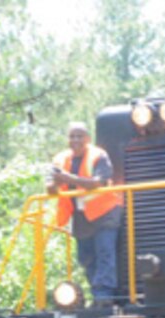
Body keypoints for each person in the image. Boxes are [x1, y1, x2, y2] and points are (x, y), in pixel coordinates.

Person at [47, 122, 123, 303]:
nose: (75, 140)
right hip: (80, 216)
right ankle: (95, 292)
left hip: (105, 212)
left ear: (88, 139)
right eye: (72, 136)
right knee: (86, 256)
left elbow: (98, 182)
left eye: (79, 136)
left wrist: (66, 178)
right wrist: (54, 183)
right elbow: (50, 189)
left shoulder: (99, 156)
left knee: (105, 252)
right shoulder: (60, 160)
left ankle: (104, 294)